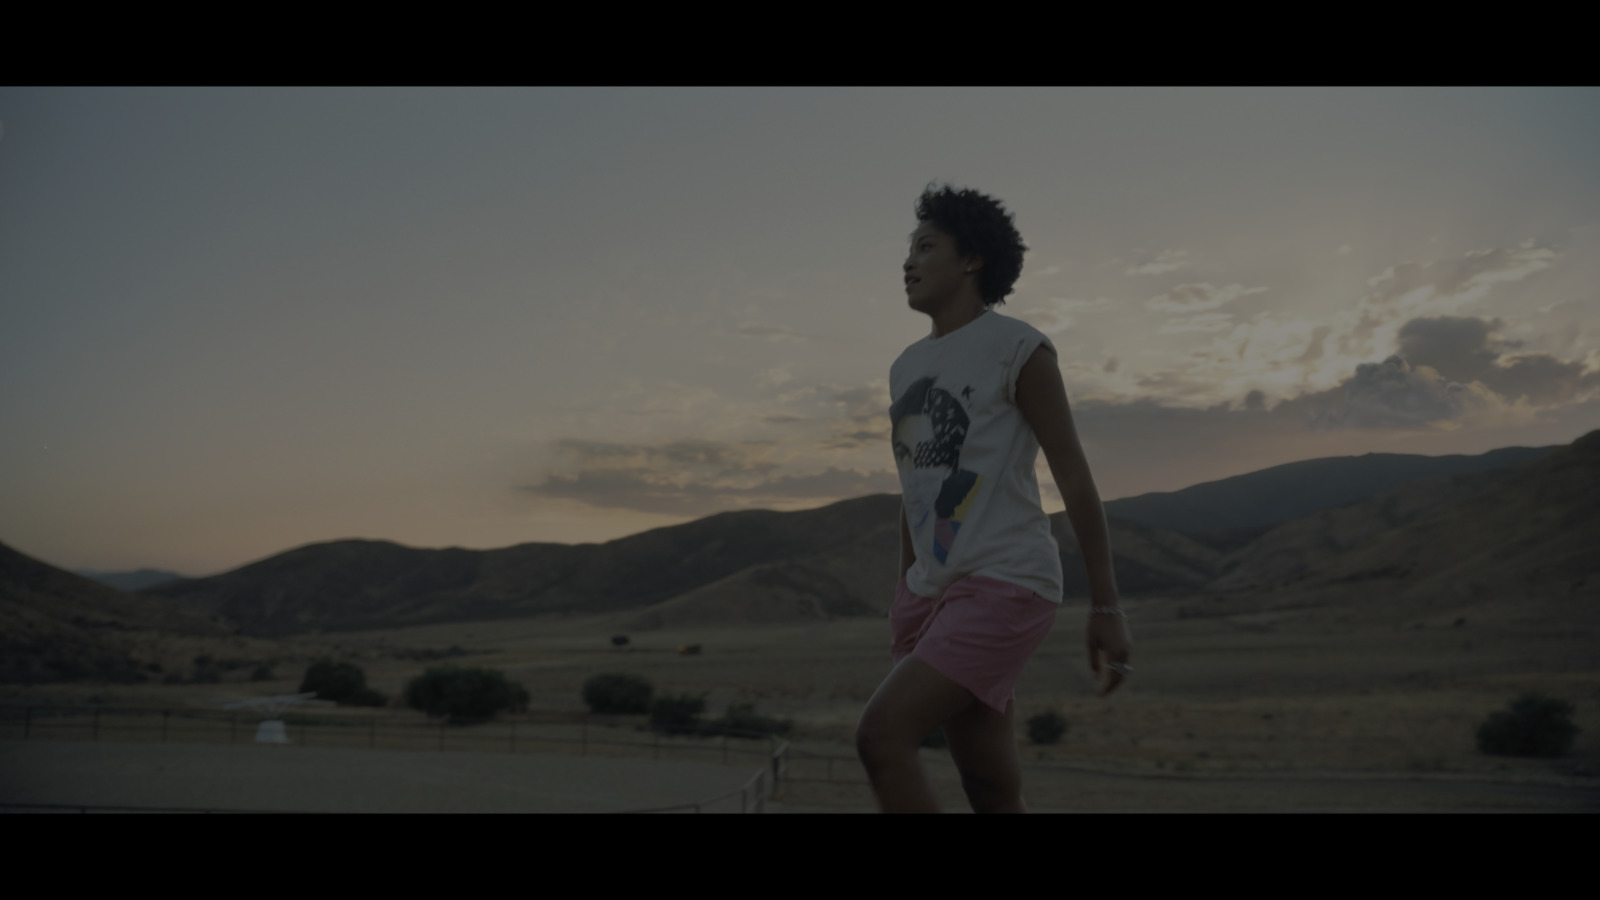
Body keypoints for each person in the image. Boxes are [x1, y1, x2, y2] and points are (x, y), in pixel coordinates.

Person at [856, 183, 1133, 813]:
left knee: (881, 736)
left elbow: (1075, 479)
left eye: (925, 247)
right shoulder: (904, 367)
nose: (908, 262)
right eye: (909, 249)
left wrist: (1108, 606)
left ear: (971, 259)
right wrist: (909, 591)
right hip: (933, 592)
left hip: (1006, 581)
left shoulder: (1018, 348)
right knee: (987, 783)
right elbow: (917, 486)